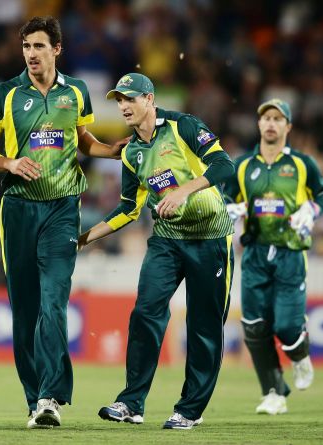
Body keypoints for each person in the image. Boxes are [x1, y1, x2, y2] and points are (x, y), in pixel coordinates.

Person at [0, 16, 125, 429]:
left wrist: (113, 151)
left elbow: (83, 141)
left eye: (39, 46)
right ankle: (33, 396)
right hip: (18, 209)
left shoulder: (76, 91)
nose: (31, 54)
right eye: (26, 46)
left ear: (56, 49)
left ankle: (49, 397)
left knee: (53, 303)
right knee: (25, 311)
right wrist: (7, 162)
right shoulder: (5, 93)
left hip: (62, 208)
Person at [79, 73, 235, 430]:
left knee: (203, 326)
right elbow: (128, 209)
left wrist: (185, 191)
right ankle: (131, 403)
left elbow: (224, 165)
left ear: (149, 99)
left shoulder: (183, 126)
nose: (123, 107)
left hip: (211, 240)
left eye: (129, 99)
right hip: (166, 241)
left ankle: (189, 410)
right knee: (146, 312)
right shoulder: (131, 152)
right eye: (118, 100)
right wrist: (85, 238)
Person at [225, 99, 323, 415]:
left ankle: (300, 356)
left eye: (277, 118)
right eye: (266, 118)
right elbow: (226, 195)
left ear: (288, 127)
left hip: (291, 251)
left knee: (285, 326)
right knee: (255, 327)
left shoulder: (302, 164)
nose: (270, 123)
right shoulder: (243, 165)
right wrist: (231, 207)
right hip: (255, 252)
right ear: (258, 125)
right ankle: (273, 393)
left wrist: (310, 210)